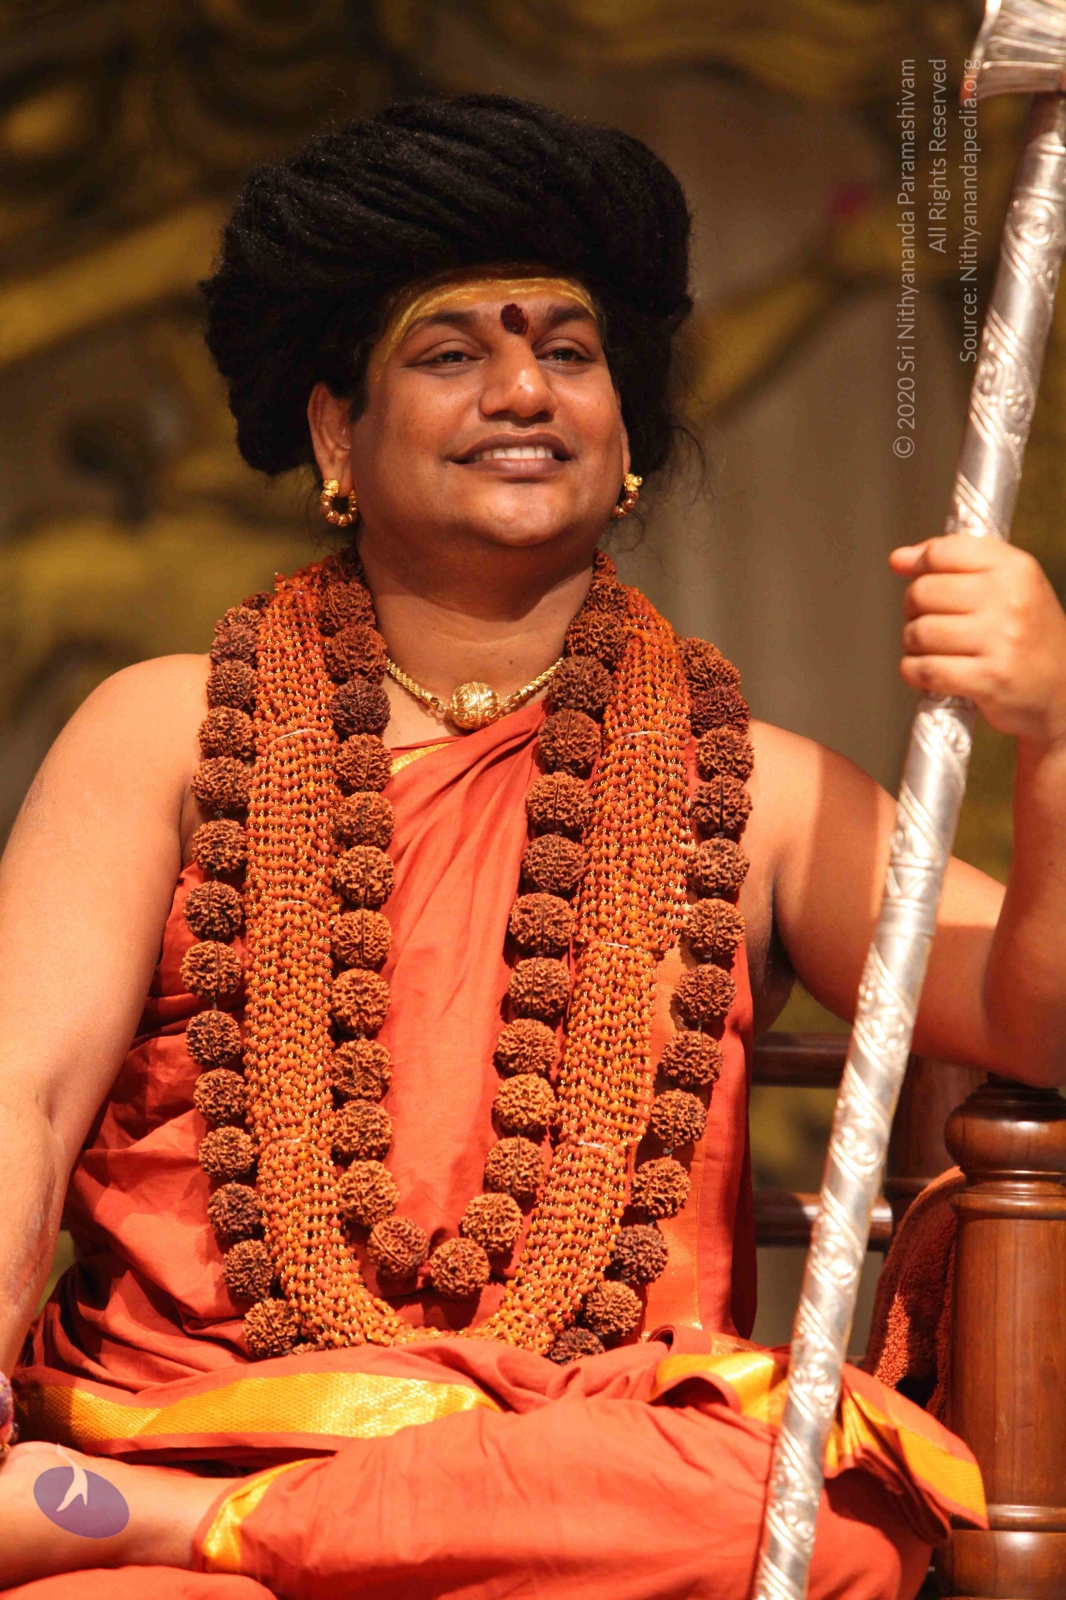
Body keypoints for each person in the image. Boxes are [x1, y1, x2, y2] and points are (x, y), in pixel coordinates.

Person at [0, 92, 1063, 1600]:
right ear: (335, 431)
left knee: (815, 1522)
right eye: (450, 355)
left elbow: (1037, 1018)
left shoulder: (752, 787)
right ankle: (235, 1519)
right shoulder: (165, 730)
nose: (522, 390)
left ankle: (215, 1532)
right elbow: (24, 1098)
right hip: (196, 1414)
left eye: (568, 353)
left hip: (565, 1473)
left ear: (624, 434)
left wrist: (1054, 734)